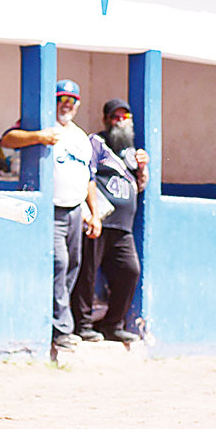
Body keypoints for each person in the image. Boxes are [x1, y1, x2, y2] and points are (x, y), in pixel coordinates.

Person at [0, 79, 103, 350]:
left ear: (78, 105)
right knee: (59, 263)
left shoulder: (81, 137)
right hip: (51, 210)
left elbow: (89, 177)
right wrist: (39, 137)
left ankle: (57, 322)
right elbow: (7, 139)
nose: (66, 104)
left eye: (71, 100)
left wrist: (94, 214)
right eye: (61, 99)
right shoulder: (45, 126)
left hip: (75, 211)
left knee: (72, 266)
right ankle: (61, 330)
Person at [71, 99, 150, 343]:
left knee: (130, 271)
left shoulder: (131, 152)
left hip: (124, 227)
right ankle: (82, 326)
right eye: (115, 117)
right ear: (105, 119)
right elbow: (88, 177)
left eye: (124, 117)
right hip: (101, 221)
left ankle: (112, 324)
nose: (120, 121)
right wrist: (92, 213)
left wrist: (144, 169)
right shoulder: (96, 142)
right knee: (87, 273)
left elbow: (140, 186)